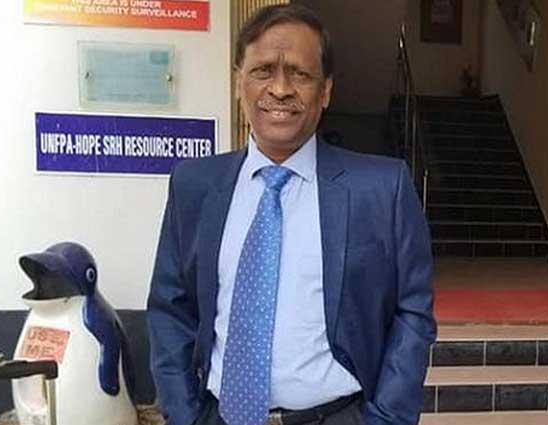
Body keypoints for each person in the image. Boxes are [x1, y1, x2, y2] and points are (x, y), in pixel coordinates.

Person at [146, 5, 436, 425]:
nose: (280, 89)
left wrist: (388, 417)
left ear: (326, 91)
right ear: (239, 82)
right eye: (263, 70)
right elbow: (169, 309)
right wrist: (185, 414)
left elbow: (413, 311)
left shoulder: (381, 189)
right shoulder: (195, 186)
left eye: (299, 74)